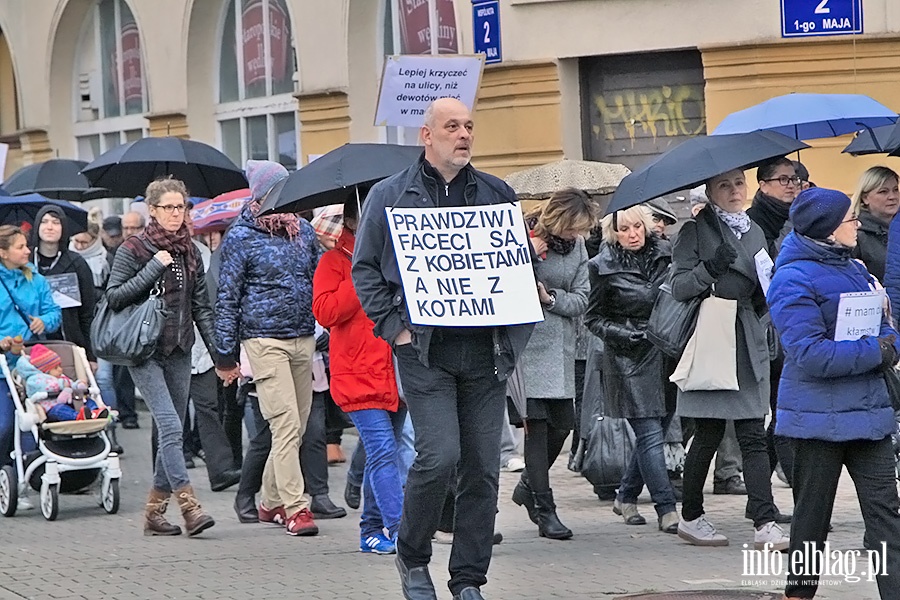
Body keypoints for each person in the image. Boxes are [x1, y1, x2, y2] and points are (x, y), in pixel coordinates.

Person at [352, 97, 534, 600]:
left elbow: (516, 264)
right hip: (424, 352)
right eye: (452, 126)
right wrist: (395, 328)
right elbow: (364, 270)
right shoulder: (390, 196)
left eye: (469, 126)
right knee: (438, 457)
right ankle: (411, 559)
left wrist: (528, 294)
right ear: (426, 136)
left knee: (483, 466)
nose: (463, 134)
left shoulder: (498, 194)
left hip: (486, 354)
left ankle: (469, 578)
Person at [767, 187, 900, 599]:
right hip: (816, 422)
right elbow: (809, 354)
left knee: (887, 521)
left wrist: (888, 340)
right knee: (812, 522)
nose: (857, 224)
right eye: (849, 219)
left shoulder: (855, 268)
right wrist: (878, 351)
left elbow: (884, 325)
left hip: (869, 414)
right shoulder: (791, 278)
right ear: (826, 230)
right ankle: (799, 594)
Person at [670, 169, 789, 551]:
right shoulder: (695, 230)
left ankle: (765, 521)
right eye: (725, 185)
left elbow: (764, 280)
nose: (735, 191)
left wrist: (763, 300)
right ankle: (690, 516)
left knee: (754, 432)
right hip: (712, 338)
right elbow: (678, 287)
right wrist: (710, 268)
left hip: (748, 336)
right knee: (707, 434)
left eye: (739, 183)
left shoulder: (753, 229)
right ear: (709, 191)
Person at [106, 176, 217, 537]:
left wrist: (222, 355)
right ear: (152, 210)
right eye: (168, 207)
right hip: (144, 350)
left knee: (172, 430)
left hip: (180, 348)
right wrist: (154, 266)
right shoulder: (134, 249)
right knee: (171, 426)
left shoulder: (191, 251)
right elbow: (114, 297)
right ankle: (190, 506)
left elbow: (201, 306)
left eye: (181, 207)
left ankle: (154, 513)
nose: (175, 214)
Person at [215, 160, 321, 537]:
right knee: (286, 422)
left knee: (298, 424)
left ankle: (270, 500)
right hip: (263, 339)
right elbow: (226, 297)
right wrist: (225, 355)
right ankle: (296, 508)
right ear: (260, 194)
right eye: (277, 189)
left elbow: (318, 278)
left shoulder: (303, 231)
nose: (284, 196)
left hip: (303, 336)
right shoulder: (241, 237)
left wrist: (323, 323)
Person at [313, 195, 404, 554]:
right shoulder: (334, 261)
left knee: (383, 451)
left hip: (399, 371)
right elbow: (325, 311)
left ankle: (370, 529)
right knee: (382, 451)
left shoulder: (398, 259)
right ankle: (399, 529)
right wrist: (361, 274)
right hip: (358, 373)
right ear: (353, 223)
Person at [585, 204, 679, 534]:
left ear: (648, 226)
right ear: (613, 233)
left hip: (667, 351)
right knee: (650, 435)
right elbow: (592, 318)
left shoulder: (667, 255)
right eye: (624, 229)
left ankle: (625, 496)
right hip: (629, 358)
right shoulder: (601, 266)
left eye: (637, 226)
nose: (632, 234)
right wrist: (626, 334)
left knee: (654, 434)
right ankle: (666, 508)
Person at [509, 188, 593, 541]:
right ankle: (545, 510)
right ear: (558, 219)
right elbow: (504, 284)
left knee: (564, 424)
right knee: (537, 430)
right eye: (573, 228)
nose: (577, 236)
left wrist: (551, 298)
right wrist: (528, 256)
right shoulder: (518, 236)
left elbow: (583, 296)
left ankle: (528, 484)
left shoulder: (577, 248)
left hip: (560, 348)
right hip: (526, 348)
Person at [1, 225, 62, 465]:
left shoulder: (35, 279)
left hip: (33, 366)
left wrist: (43, 322)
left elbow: (55, 313)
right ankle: (6, 476)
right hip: (3, 367)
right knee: (4, 425)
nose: (28, 251)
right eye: (21, 247)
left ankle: (26, 479)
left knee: (32, 425)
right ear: (3, 253)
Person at [29, 206, 97, 363]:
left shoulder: (77, 263)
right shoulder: (25, 261)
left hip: (70, 342)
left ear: (64, 228)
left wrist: (90, 355)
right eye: (44, 222)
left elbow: (87, 314)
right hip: (31, 342)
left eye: (55, 222)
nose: (49, 227)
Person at [15, 344, 104, 422]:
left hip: (71, 402)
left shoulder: (61, 377)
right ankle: (77, 416)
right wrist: (61, 385)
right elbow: (43, 387)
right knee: (60, 410)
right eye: (56, 367)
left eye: (60, 366)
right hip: (51, 407)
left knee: (88, 400)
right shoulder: (34, 380)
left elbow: (70, 383)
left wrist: (78, 385)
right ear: (45, 370)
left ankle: (95, 412)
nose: (60, 369)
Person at [851, 166, 899, 282]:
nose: (892, 197)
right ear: (865, 198)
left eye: (896, 189)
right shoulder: (856, 234)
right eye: (883, 192)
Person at [70, 208, 110, 299]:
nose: (79, 247)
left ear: (95, 241)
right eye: (76, 241)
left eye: (84, 242)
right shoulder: (66, 255)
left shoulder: (106, 260)